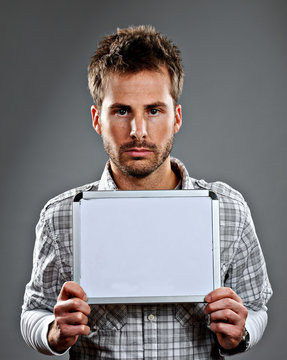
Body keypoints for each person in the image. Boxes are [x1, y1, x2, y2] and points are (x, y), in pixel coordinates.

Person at [21, 25, 272, 359]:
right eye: (122, 110)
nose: (138, 131)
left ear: (176, 117)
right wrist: (52, 332)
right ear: (97, 120)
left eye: (154, 110)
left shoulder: (228, 209)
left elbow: (256, 306)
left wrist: (241, 333)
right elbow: (33, 311)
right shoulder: (61, 216)